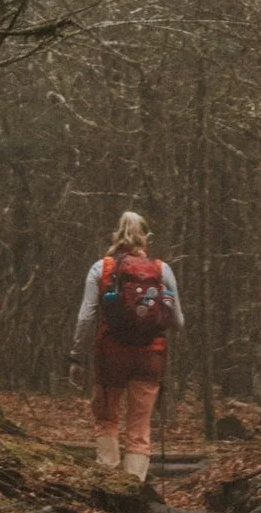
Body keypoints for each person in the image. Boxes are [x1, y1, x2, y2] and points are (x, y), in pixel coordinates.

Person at [69, 208, 182, 486]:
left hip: (111, 356)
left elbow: (86, 317)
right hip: (150, 357)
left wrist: (76, 356)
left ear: (117, 235)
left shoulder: (102, 268)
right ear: (146, 237)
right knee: (140, 425)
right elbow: (177, 320)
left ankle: (108, 483)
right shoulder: (161, 270)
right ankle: (134, 487)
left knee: (107, 418)